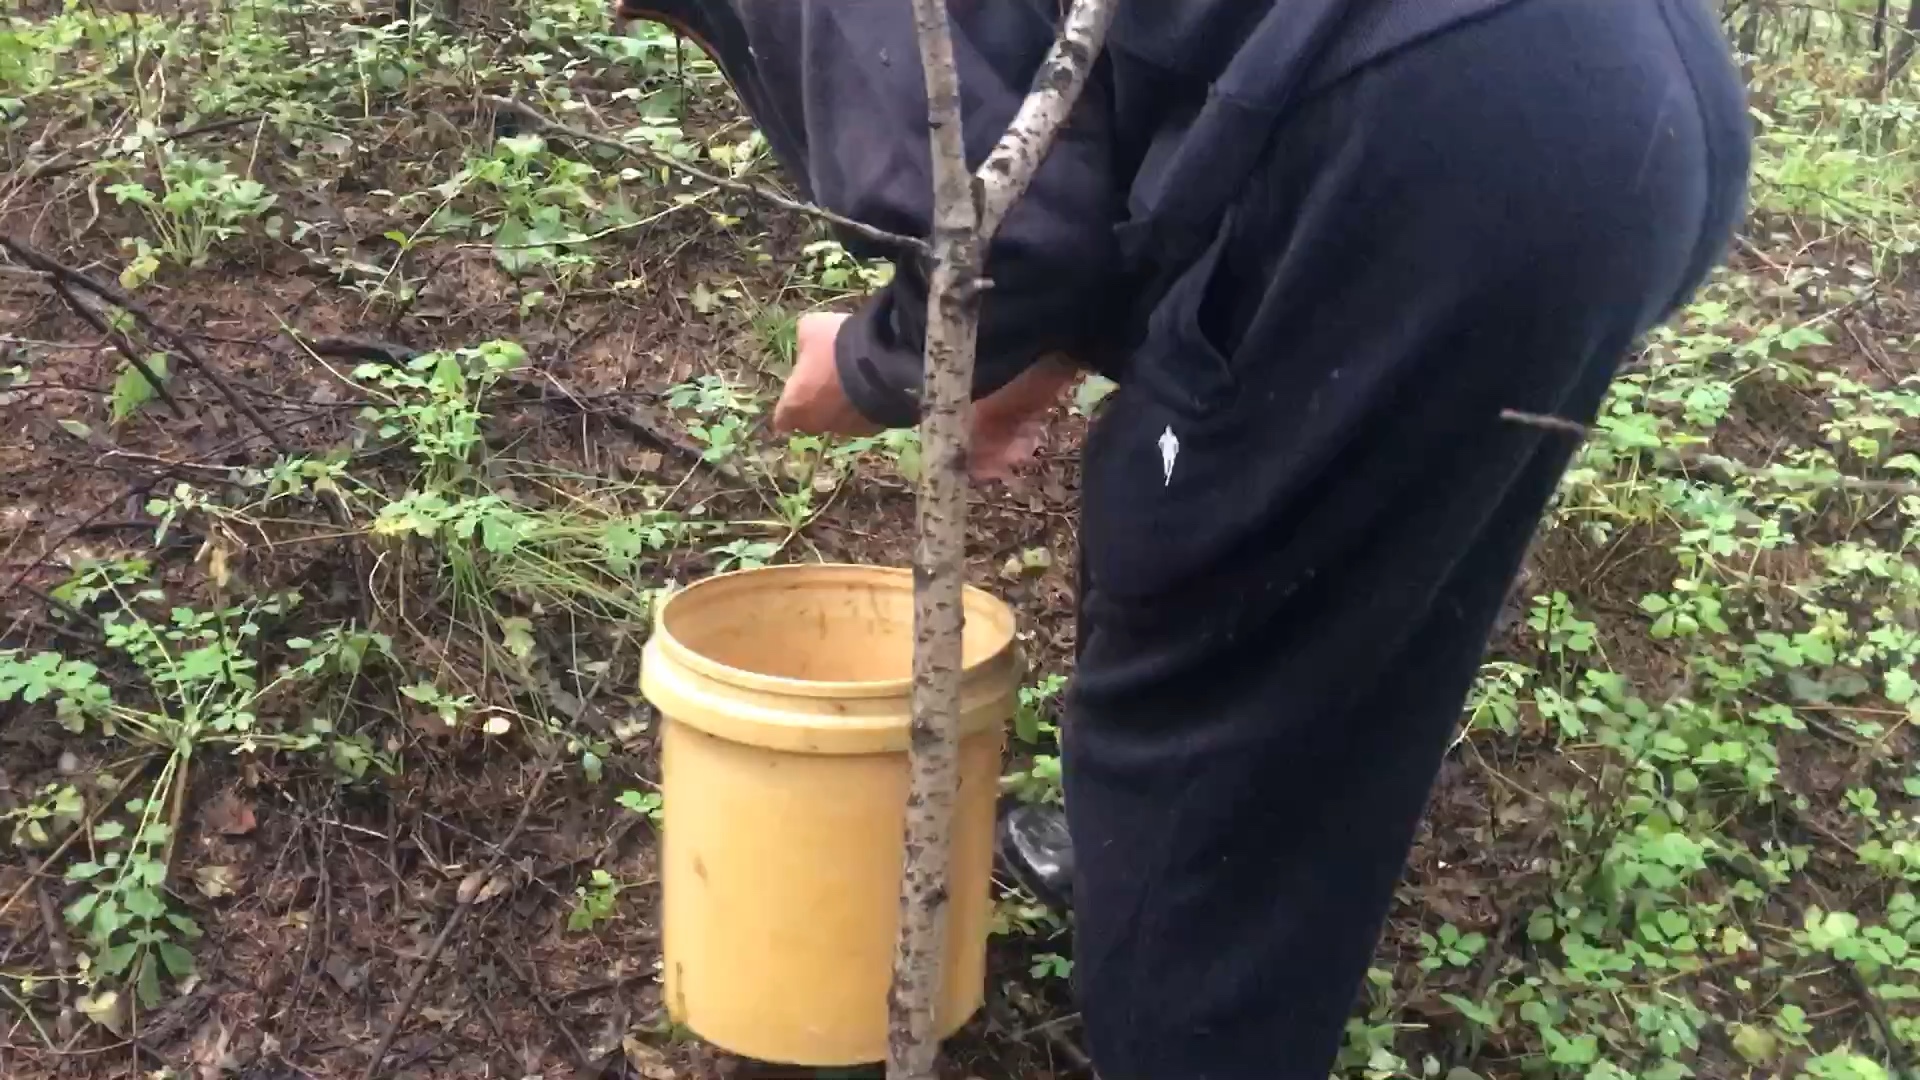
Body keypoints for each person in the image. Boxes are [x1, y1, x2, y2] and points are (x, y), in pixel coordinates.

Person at [610, 1, 1752, 1077]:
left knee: (1208, 671)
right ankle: (1149, 865)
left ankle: (1194, 943)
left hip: (1442, 129)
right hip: (1622, 102)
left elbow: (1012, 230)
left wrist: (870, 366)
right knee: (1308, 600)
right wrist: (1028, 358)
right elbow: (1096, 116)